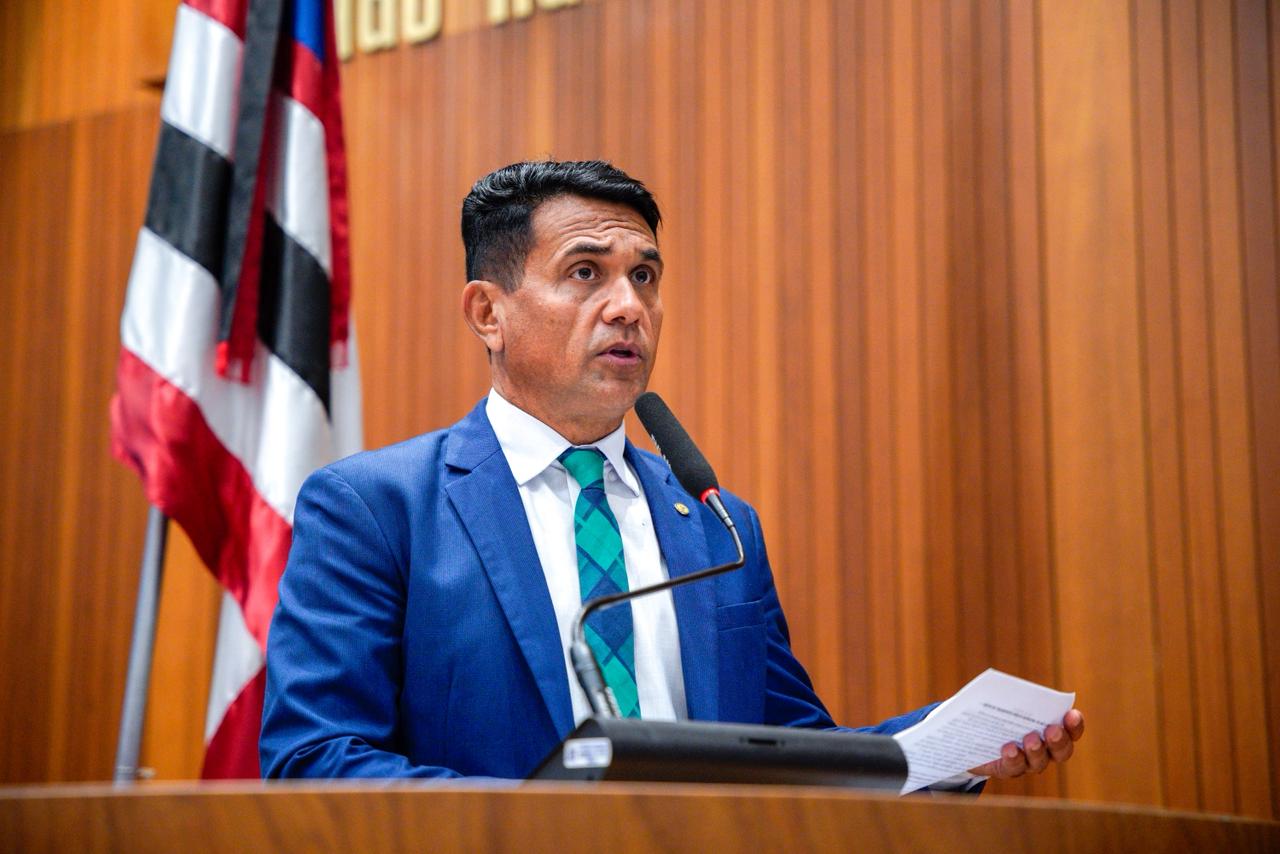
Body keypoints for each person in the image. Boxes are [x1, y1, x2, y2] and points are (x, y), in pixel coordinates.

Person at [260, 160, 1084, 784]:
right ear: (488, 312)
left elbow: (791, 752)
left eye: (644, 277)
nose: (629, 306)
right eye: (586, 272)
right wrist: (549, 827)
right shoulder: (376, 509)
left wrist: (944, 749)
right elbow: (316, 756)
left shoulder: (720, 526)